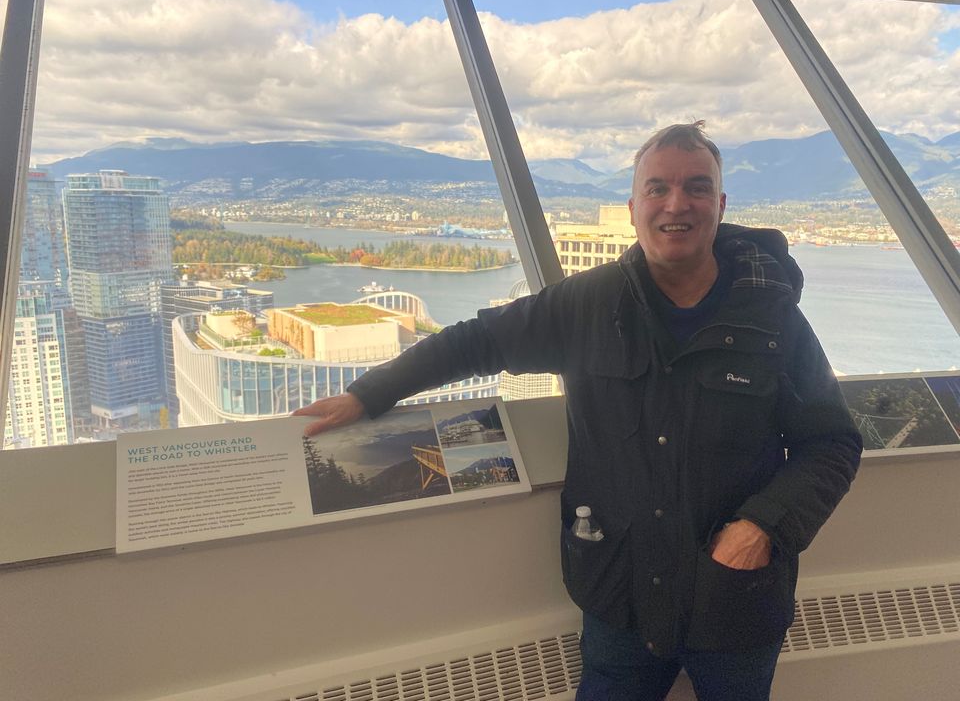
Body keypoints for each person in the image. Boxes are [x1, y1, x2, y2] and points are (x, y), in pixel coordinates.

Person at [293, 121, 862, 701]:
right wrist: (369, 394)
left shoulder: (772, 319)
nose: (676, 204)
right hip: (620, 597)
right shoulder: (588, 304)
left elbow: (833, 443)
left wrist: (759, 527)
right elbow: (477, 341)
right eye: (657, 188)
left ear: (719, 204)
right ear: (633, 205)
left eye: (695, 187)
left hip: (736, 603)